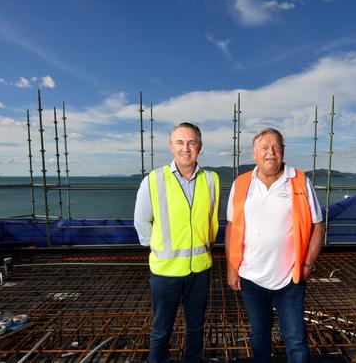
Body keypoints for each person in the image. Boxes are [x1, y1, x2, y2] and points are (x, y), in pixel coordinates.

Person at [225, 127, 325, 363]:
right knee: (259, 334)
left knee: (295, 338)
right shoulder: (241, 183)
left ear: (283, 151)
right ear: (254, 154)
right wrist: (232, 267)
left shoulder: (299, 180)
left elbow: (318, 227)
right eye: (264, 148)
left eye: (276, 147)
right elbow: (231, 227)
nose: (271, 153)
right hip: (251, 278)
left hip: (290, 279)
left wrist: (307, 265)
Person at [134, 122, 219, 363]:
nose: (186, 148)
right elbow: (142, 224)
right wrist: (163, 249)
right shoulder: (154, 180)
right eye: (180, 142)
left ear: (199, 147)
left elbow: (212, 221)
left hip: (200, 270)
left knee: (195, 328)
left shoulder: (211, 180)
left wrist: (203, 246)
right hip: (165, 273)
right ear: (171, 147)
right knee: (162, 331)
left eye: (192, 142)